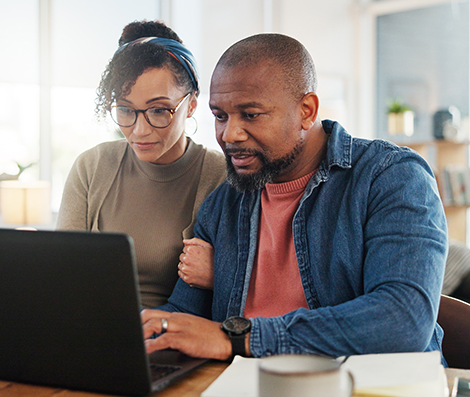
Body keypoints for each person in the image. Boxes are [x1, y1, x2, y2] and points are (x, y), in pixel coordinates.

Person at [141, 33, 448, 362]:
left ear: (306, 110)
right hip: (251, 384)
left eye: (251, 114)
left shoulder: (390, 177)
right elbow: (181, 315)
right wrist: (133, 330)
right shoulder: (224, 203)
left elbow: (403, 320)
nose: (229, 134)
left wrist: (238, 338)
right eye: (220, 116)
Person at [56, 21, 226, 308]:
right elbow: (61, 275)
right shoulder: (91, 166)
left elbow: (241, 288)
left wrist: (219, 274)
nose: (139, 130)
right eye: (125, 110)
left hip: (172, 338)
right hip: (86, 329)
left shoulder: (219, 175)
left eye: (159, 110)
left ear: (192, 104)